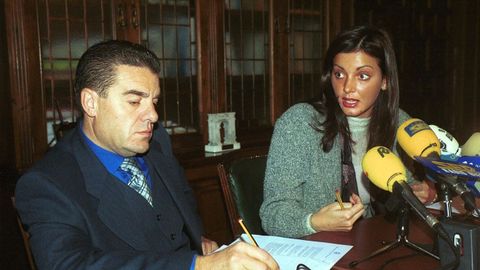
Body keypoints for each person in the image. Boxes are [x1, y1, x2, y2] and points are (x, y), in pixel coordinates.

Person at [15, 40, 278, 270]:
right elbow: (68, 265)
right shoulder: (48, 183)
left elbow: (183, 199)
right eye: (134, 101)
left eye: (154, 101)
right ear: (90, 103)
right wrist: (196, 265)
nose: (152, 115)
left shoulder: (157, 141)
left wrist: (198, 238)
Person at [260, 25, 436, 238]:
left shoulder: (398, 122)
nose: (347, 87)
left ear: (385, 81)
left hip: (370, 240)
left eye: (362, 76)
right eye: (339, 74)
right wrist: (313, 221)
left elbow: (407, 183)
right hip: (314, 249)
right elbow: (272, 215)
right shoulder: (300, 123)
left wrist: (424, 192)